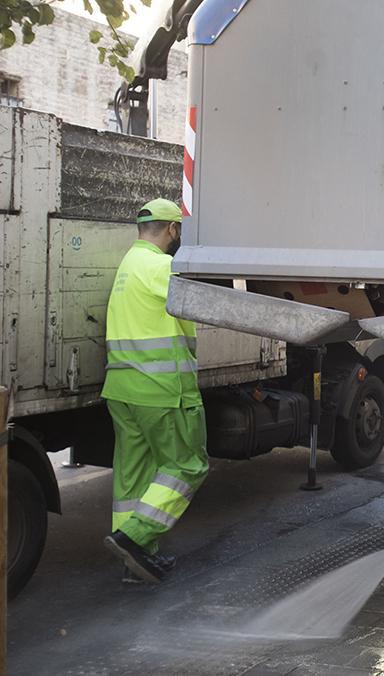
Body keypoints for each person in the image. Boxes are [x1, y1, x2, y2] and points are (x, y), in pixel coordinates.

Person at [100, 198, 208, 584]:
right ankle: (134, 539)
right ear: (172, 230)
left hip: (122, 390)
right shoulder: (162, 267)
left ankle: (134, 561)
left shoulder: (128, 265)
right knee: (187, 466)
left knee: (133, 479)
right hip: (161, 391)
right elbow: (209, 304)